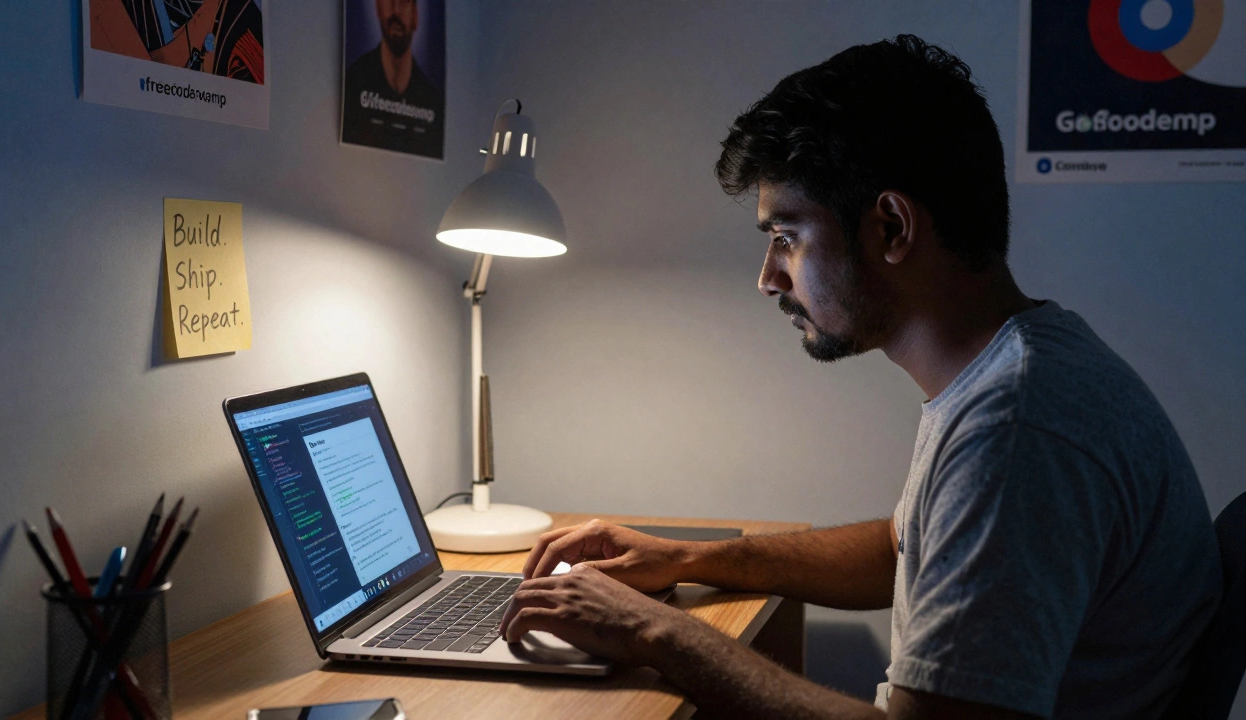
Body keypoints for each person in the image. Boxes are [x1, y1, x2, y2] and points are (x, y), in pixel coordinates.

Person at [498, 35, 1222, 719]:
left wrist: (655, 632)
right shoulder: (1017, 367)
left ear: (892, 229)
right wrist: (688, 559)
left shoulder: (1018, 425)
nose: (767, 277)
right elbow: (902, 550)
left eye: (787, 237)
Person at [342, 0, 444, 157]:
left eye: (403, 2)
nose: (395, 11)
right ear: (378, 8)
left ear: (415, 17)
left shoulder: (432, 100)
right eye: (389, 0)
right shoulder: (352, 84)